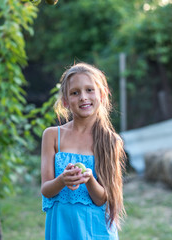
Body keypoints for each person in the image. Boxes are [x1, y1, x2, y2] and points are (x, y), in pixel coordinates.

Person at [41, 62, 126, 240]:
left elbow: (102, 198)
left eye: (89, 90)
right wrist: (62, 180)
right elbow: (46, 189)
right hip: (62, 228)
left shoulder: (110, 141)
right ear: (65, 101)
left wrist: (88, 180)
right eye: (75, 92)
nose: (83, 97)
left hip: (96, 231)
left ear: (102, 95)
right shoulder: (52, 136)